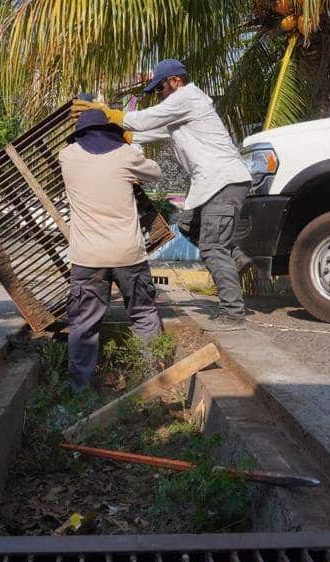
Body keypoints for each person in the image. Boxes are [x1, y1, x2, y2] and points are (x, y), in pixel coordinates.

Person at [71, 59, 253, 331]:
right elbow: (148, 130)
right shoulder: (181, 110)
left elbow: (145, 119)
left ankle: (233, 313)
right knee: (188, 224)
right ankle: (235, 258)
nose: (159, 94)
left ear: (175, 81)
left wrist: (106, 112)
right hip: (213, 184)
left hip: (223, 181)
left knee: (213, 248)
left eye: (160, 89)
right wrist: (117, 133)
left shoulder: (187, 97)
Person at [59, 109, 164, 391]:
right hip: (128, 254)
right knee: (143, 314)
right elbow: (155, 171)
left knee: (84, 324)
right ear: (110, 132)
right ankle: (152, 379)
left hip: (87, 258)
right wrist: (130, 149)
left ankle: (80, 390)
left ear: (80, 134)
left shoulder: (67, 156)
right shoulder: (125, 155)